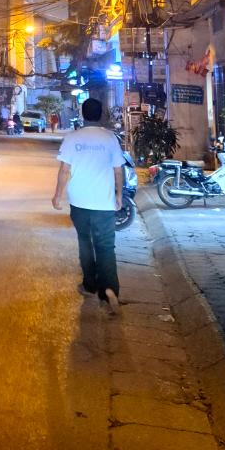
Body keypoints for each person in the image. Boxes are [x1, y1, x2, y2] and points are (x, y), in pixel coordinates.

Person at [52, 97, 124, 313]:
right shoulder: (110, 138)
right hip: (104, 202)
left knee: (85, 243)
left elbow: (65, 170)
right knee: (105, 246)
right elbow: (118, 170)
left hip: (79, 201)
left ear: (83, 114)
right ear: (101, 115)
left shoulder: (72, 138)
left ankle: (90, 285)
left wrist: (57, 196)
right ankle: (109, 289)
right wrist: (119, 195)